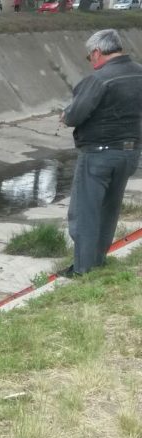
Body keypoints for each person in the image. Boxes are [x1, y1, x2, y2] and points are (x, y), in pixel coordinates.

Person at [61, 29, 142, 276]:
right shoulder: (139, 73)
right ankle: (97, 262)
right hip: (130, 154)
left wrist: (65, 115)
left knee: (84, 213)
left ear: (97, 52)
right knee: (109, 210)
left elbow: (74, 116)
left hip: (99, 155)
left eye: (89, 57)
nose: (91, 61)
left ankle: (83, 270)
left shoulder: (99, 80)